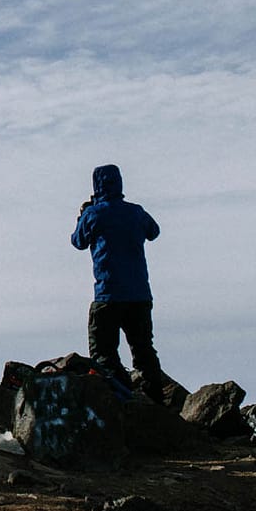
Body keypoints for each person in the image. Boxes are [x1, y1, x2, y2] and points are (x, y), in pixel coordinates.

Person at [71, 163, 169, 402]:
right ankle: (155, 400)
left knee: (103, 352)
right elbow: (153, 231)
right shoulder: (135, 212)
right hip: (140, 295)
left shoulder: (95, 214)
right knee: (144, 350)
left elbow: (78, 241)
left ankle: (120, 393)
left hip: (108, 294)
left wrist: (83, 214)